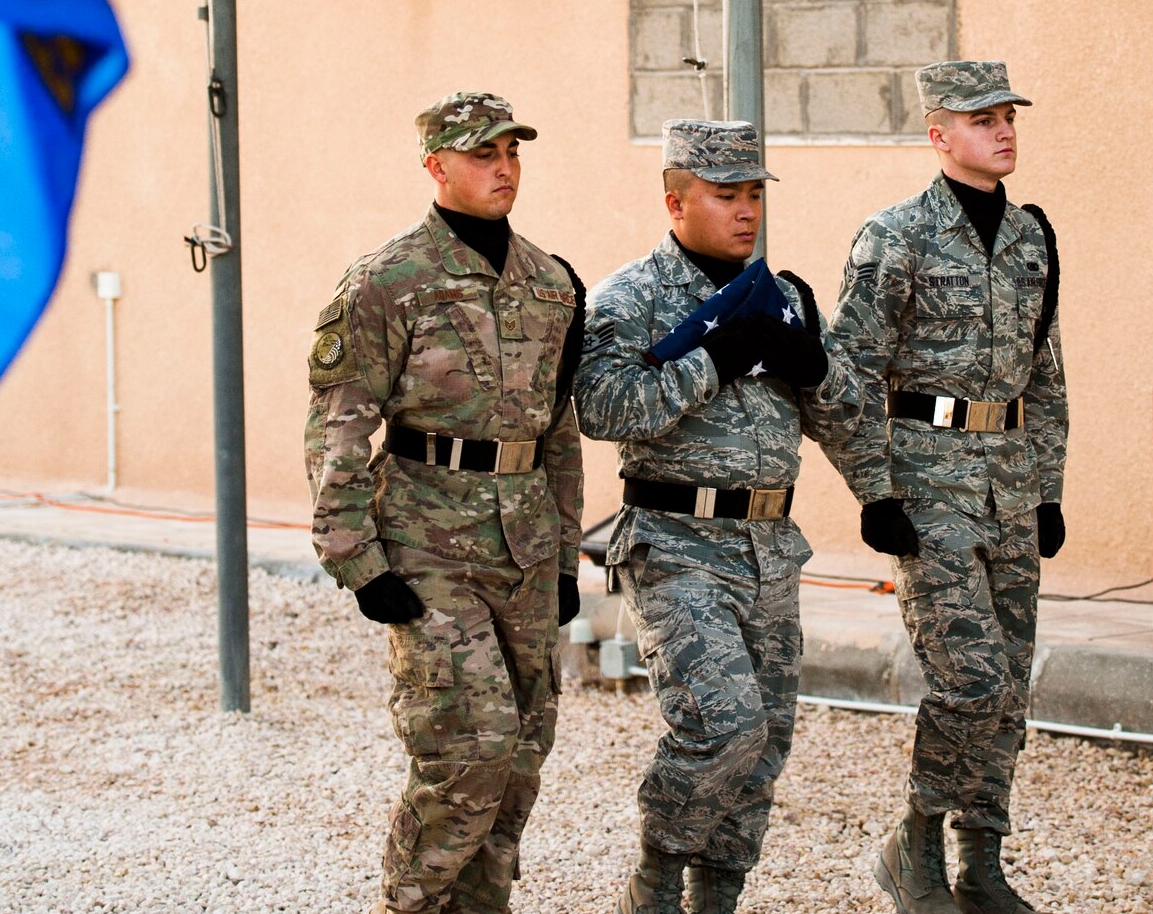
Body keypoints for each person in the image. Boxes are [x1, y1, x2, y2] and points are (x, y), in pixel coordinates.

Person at [304, 91, 585, 914]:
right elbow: (340, 424)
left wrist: (566, 555)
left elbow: (558, 432)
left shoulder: (553, 282)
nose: (503, 168)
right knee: (469, 747)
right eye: (482, 154)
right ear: (436, 166)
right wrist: (356, 559)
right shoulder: (387, 283)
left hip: (525, 547)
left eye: (511, 152)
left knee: (524, 749)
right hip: (427, 545)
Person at [574, 119, 863, 914]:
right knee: (722, 722)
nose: (746, 211)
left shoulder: (785, 299)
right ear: (675, 200)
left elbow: (845, 421)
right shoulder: (630, 295)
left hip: (770, 546)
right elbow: (603, 407)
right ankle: (656, 881)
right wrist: (716, 355)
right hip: (674, 542)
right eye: (725, 194)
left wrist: (816, 366)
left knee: (763, 740)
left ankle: (718, 897)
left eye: (754, 195)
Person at [824, 61, 1066, 914]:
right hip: (927, 483)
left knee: (1011, 686)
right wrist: (872, 489)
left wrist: (1050, 488)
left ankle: (983, 863)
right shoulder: (894, 236)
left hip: (1009, 478)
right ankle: (914, 839)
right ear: (938, 135)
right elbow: (848, 373)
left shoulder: (1033, 236)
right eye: (980, 118)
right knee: (969, 679)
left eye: (1008, 115)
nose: (1002, 130)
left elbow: (1046, 373)